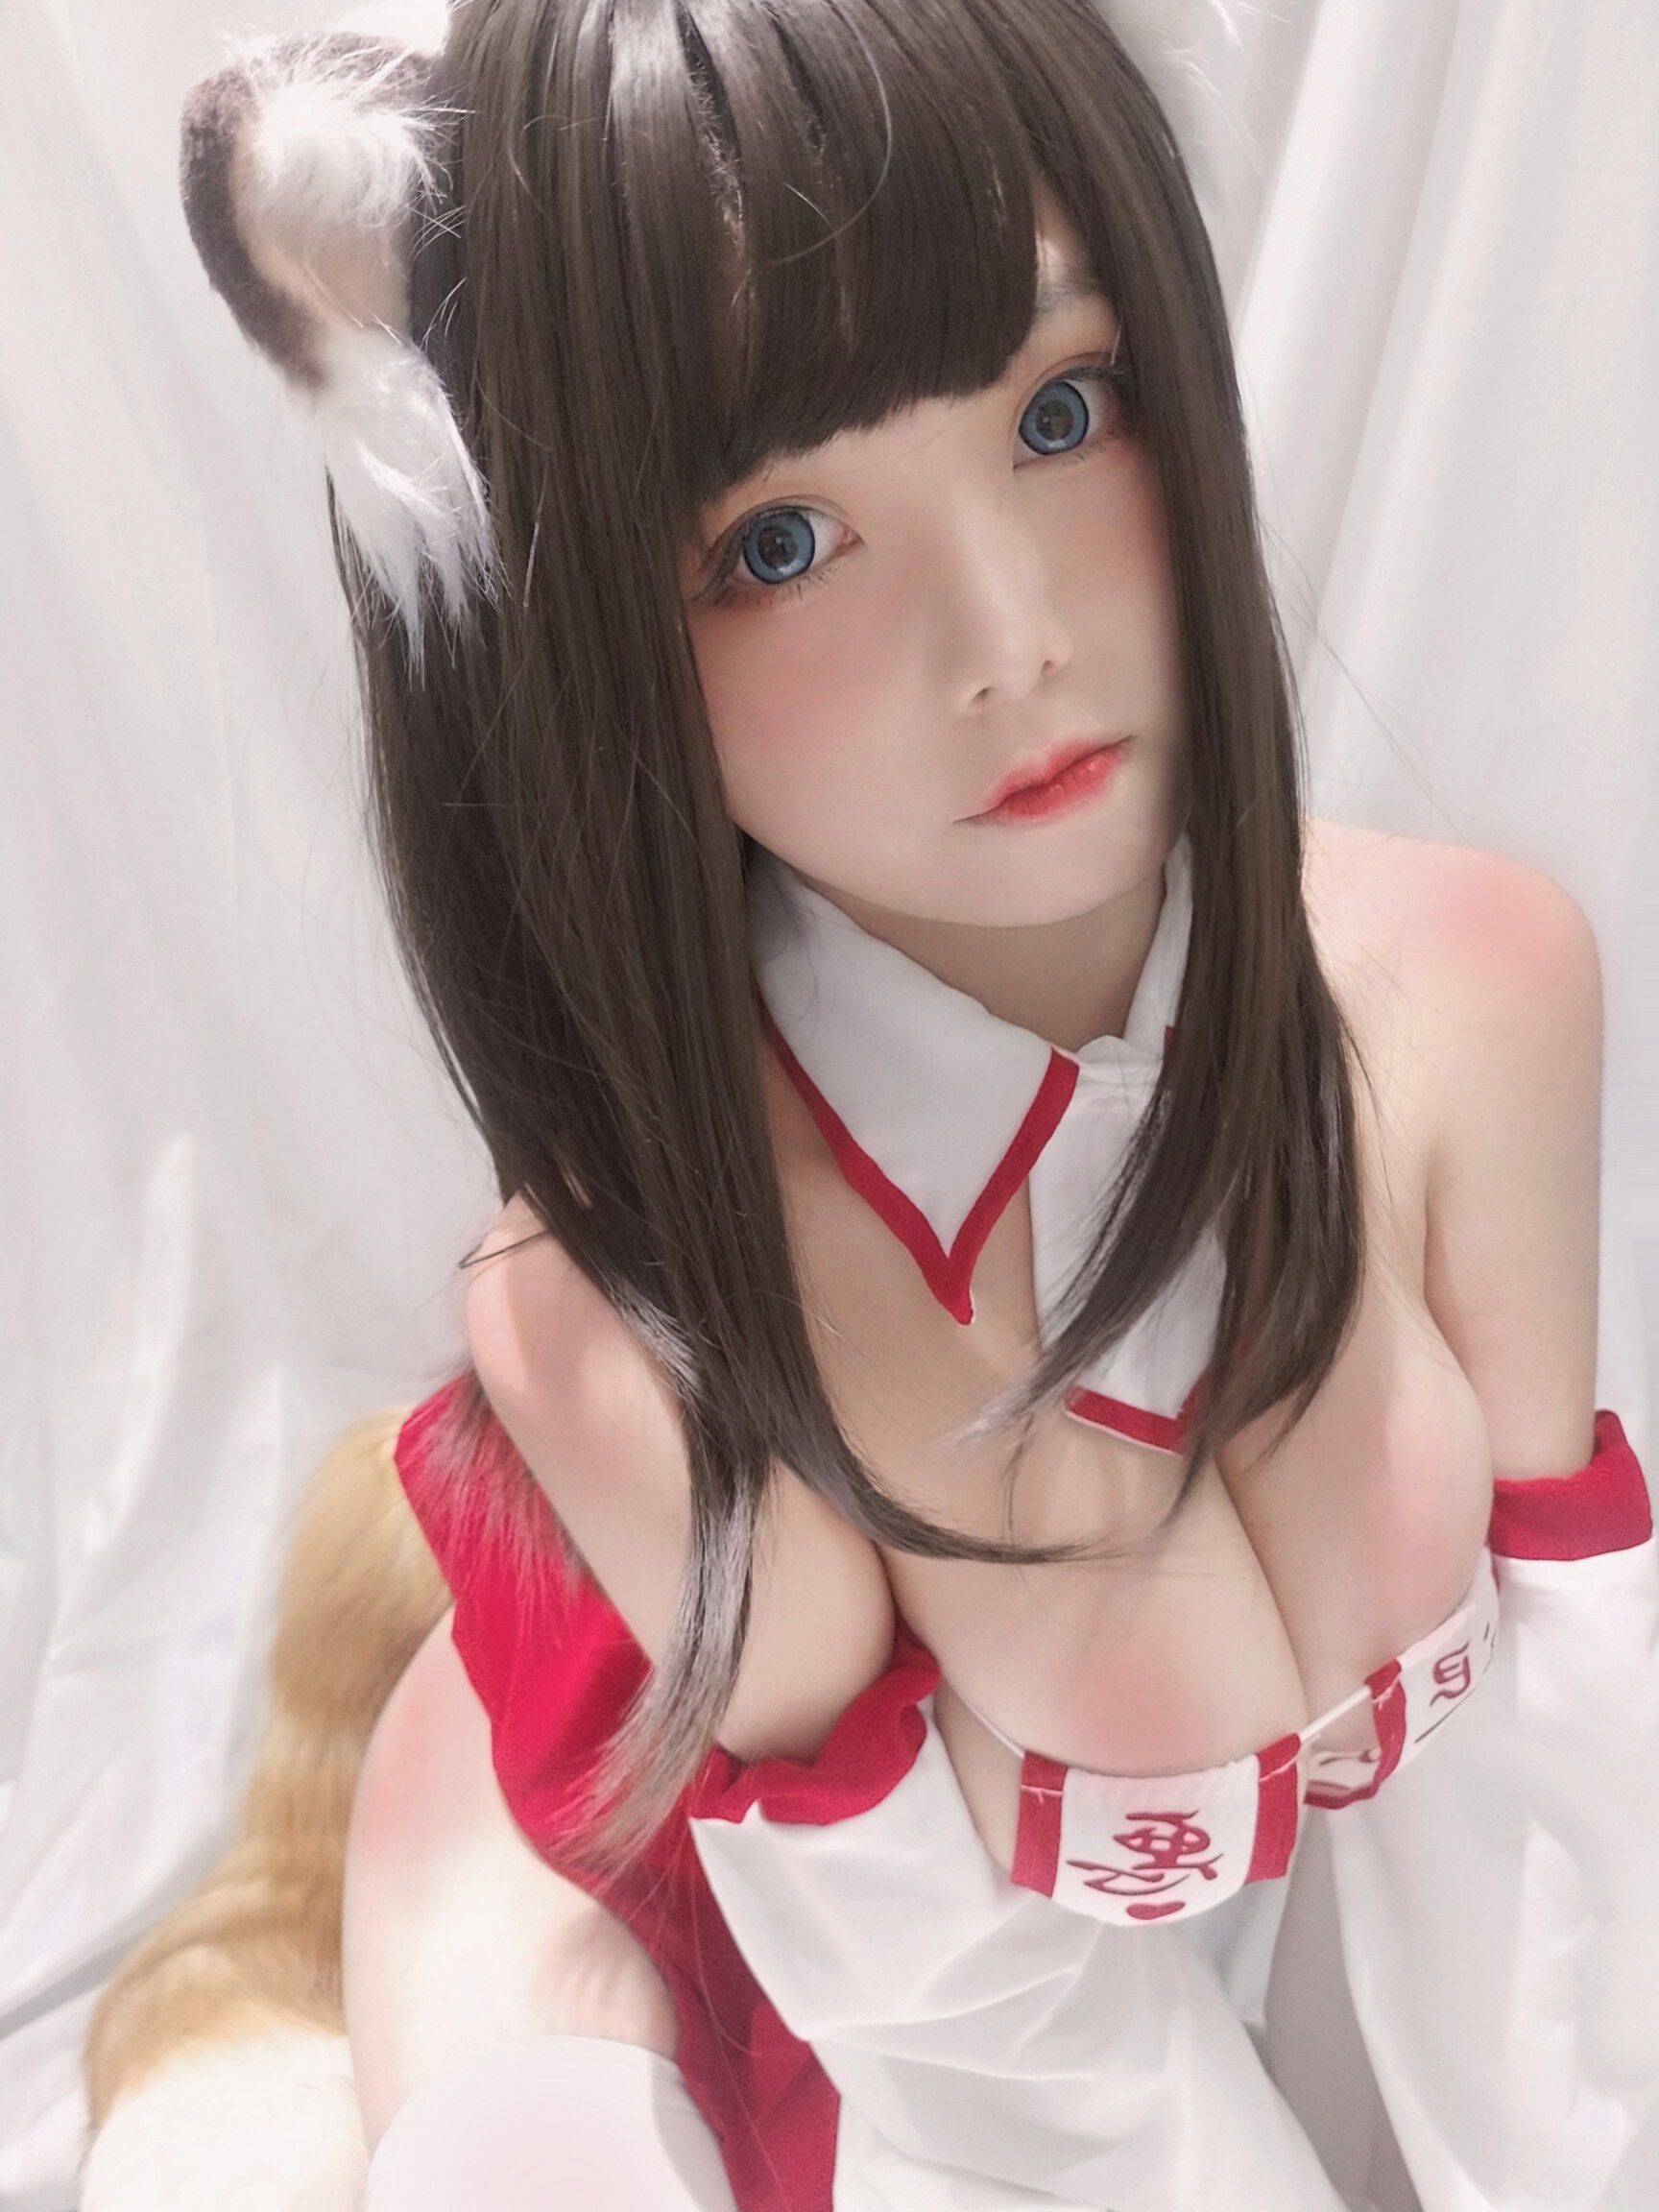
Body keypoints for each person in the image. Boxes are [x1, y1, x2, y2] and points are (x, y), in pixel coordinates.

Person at [82, 1, 1659, 2207]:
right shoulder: (627, 1299)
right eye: (779, 542)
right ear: (581, 644)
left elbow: (1530, 1832)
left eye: (1064, 408)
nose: (1009, 638)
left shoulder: (1470, 985)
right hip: (654, 1922)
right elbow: (962, 2034)